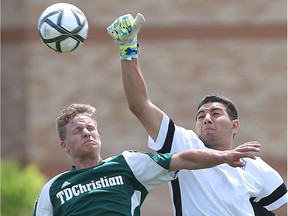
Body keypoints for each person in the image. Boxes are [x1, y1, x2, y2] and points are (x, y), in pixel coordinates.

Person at [107, 13, 288, 216]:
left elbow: (281, 209)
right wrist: (127, 48)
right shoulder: (184, 144)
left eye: (215, 113)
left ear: (234, 125)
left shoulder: (257, 167)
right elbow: (139, 105)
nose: (207, 118)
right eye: (201, 116)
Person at [32, 103, 260, 216]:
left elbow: (184, 159)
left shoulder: (126, 164)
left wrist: (225, 156)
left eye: (91, 128)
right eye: (78, 130)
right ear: (64, 145)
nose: (87, 132)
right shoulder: (54, 188)